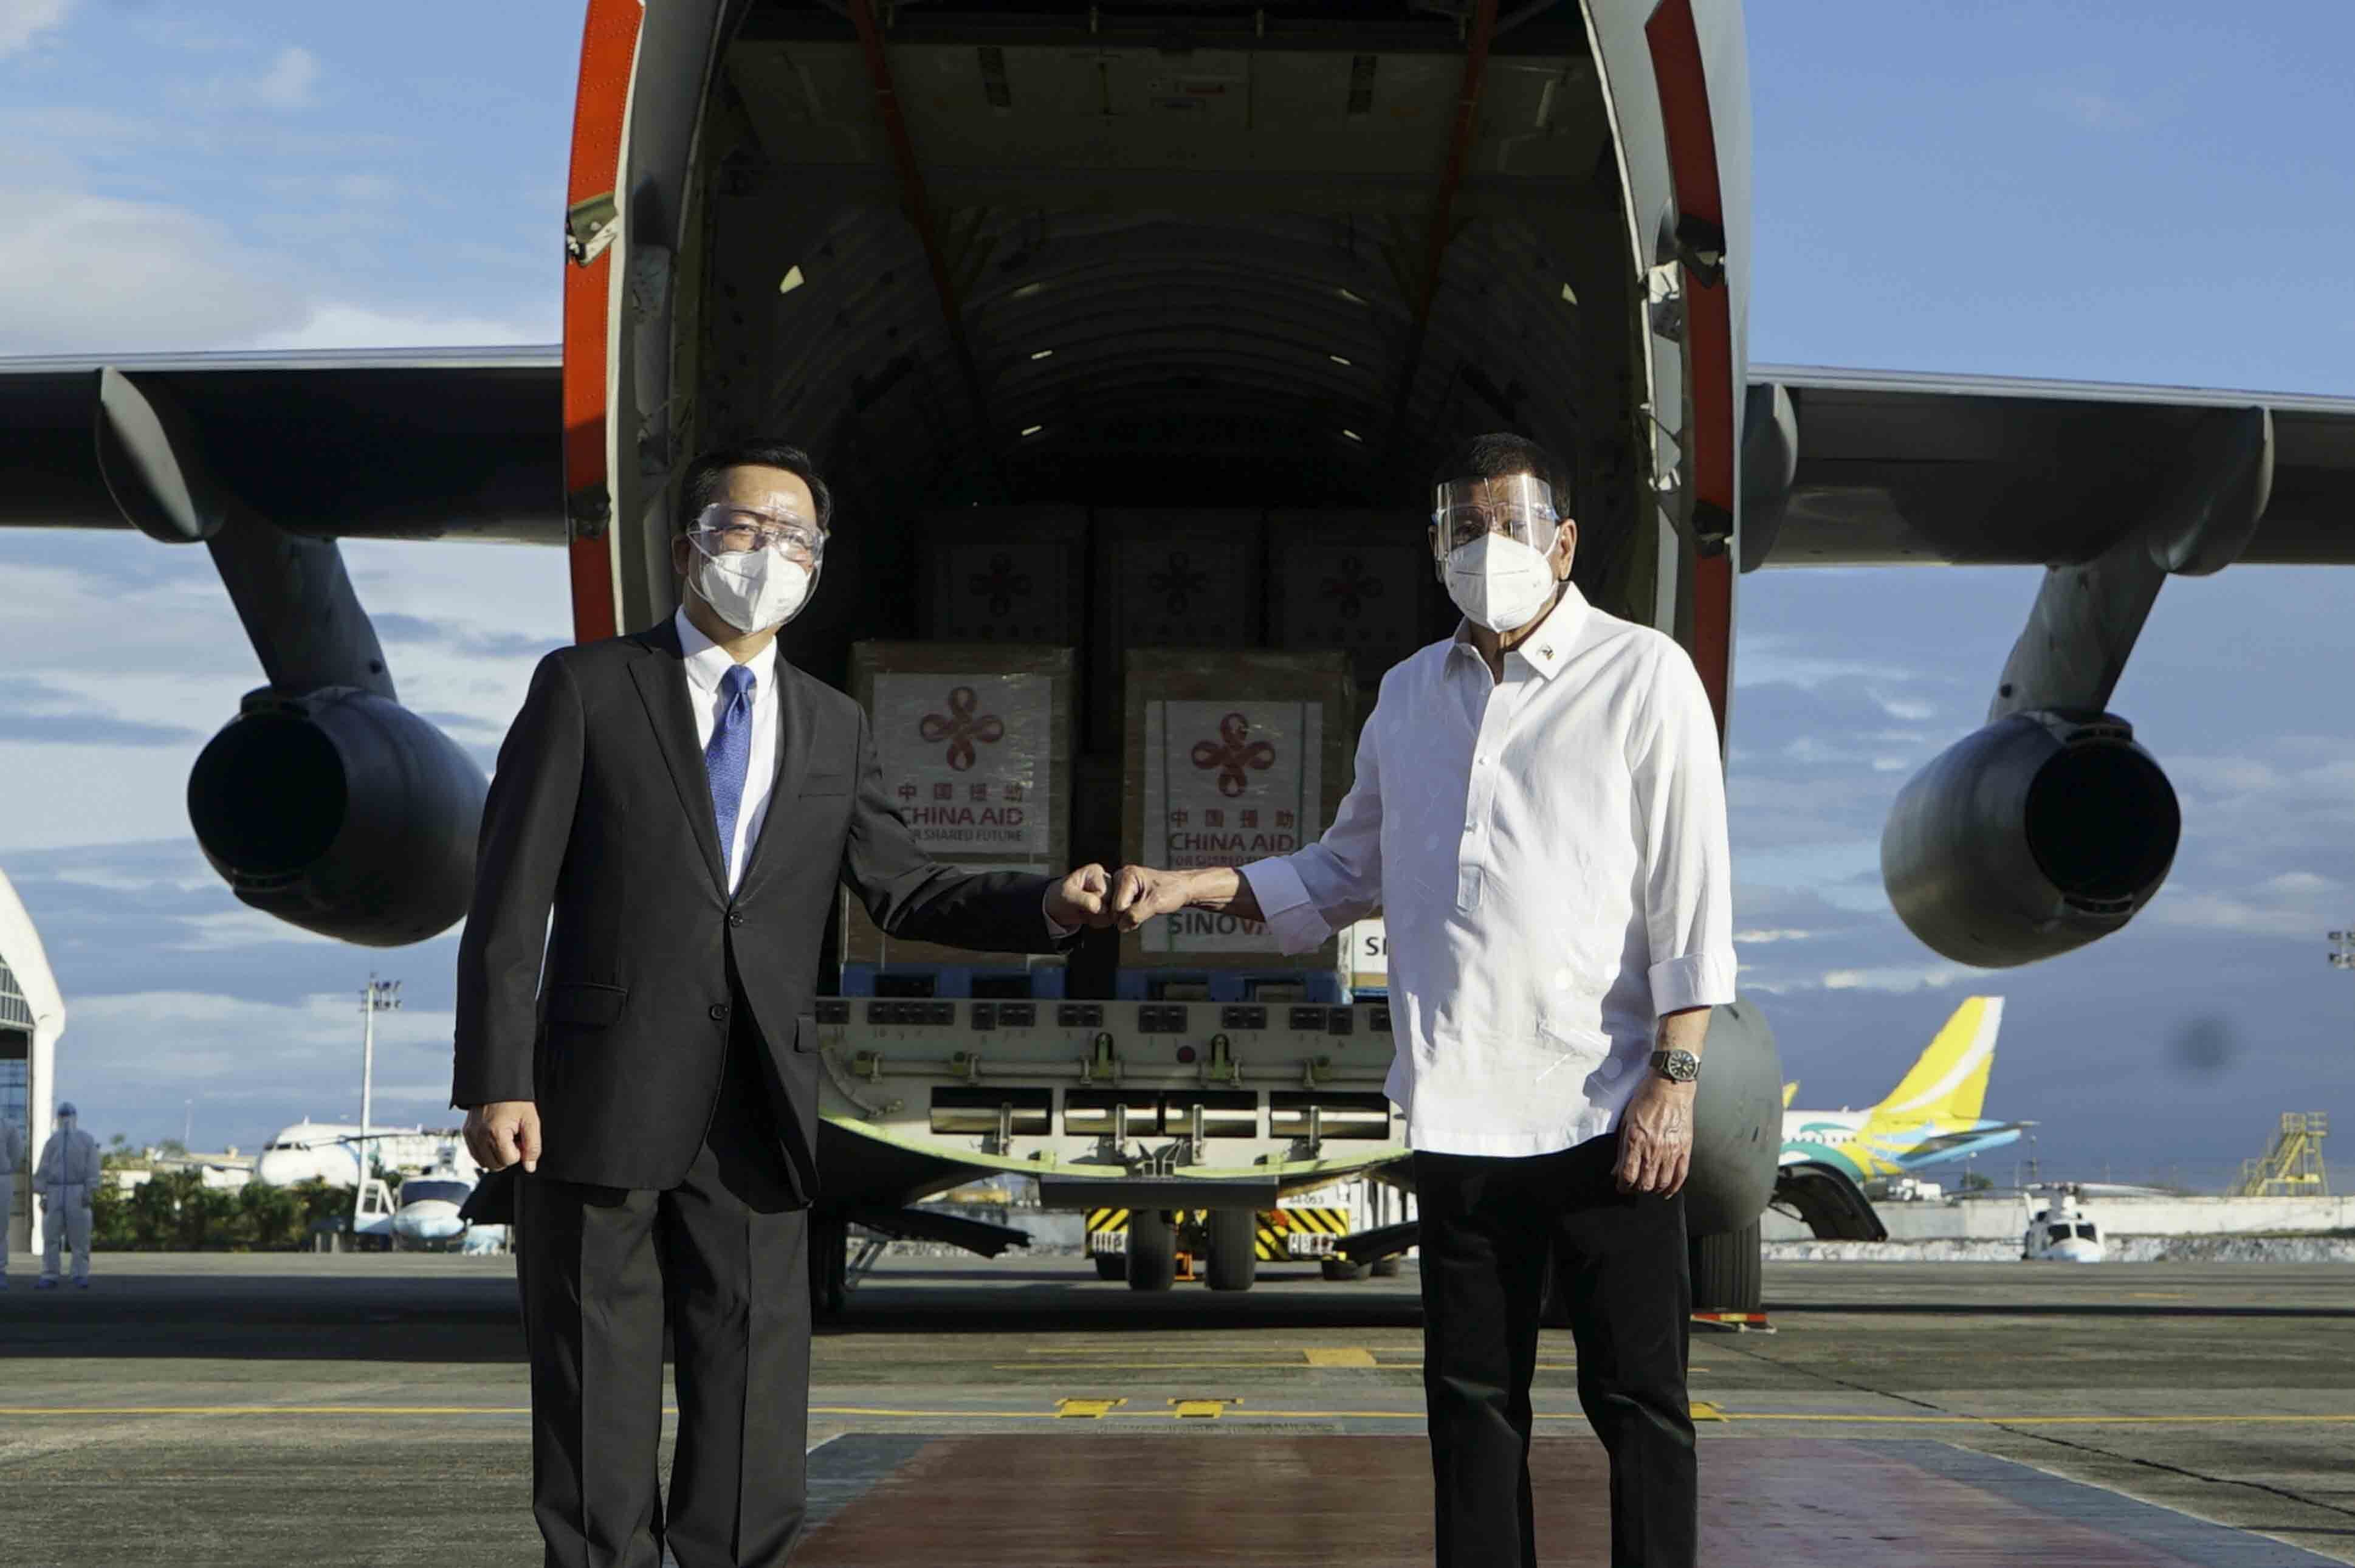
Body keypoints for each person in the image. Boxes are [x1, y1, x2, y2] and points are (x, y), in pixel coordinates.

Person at [453, 440, 1113, 1568]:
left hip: (760, 1095)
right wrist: (495, 1076)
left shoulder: (831, 724)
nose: (769, 553)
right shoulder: (587, 689)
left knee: (755, 1366)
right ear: (685, 549)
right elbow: (509, 901)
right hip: (595, 1089)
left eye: (794, 536)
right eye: (744, 528)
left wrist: (1048, 901)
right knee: (594, 1367)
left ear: (818, 564)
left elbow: (907, 887)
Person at [1110, 433, 1735, 1568]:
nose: (1484, 547)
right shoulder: (1407, 694)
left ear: (1564, 542)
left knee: (1638, 1403)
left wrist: (1676, 1079)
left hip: (1609, 1111)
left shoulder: (1644, 675)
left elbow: (1691, 896)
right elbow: (1347, 868)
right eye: (1462, 528)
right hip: (1457, 1110)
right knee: (1472, 1406)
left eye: (1507, 524)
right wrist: (1190, 886)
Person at [32, 1101, 100, 1291]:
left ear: (75, 1118)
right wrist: (42, 1194)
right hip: (54, 1191)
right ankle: (49, 1274)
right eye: (63, 1116)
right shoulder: (53, 1142)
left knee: (80, 1237)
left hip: (77, 1191)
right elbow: (44, 1169)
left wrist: (89, 1190)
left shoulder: (86, 1140)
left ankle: (80, 1274)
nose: (66, 1120)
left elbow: (93, 1168)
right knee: (51, 1236)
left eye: (68, 1115)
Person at [1, 1111, 22, 1288]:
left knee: (0, 1226)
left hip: (2, 1178)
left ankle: (0, 1270)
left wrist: (6, 1170)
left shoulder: (8, 1126)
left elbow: (17, 1154)